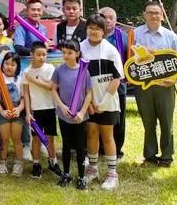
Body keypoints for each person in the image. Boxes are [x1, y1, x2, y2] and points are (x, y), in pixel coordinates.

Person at [133, 1, 177, 167]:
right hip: (143, 87)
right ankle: (149, 155)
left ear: (162, 15)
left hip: (165, 86)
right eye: (150, 12)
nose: (154, 16)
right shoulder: (135, 34)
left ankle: (167, 156)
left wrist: (174, 80)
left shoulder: (171, 36)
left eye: (157, 13)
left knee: (166, 122)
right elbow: (128, 58)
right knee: (148, 122)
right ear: (144, 15)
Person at [80, 14, 123, 190]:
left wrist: (104, 102)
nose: (94, 31)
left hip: (108, 101)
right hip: (87, 102)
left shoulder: (111, 50)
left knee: (107, 136)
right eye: (91, 28)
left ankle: (112, 174)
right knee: (91, 134)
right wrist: (88, 104)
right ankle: (92, 169)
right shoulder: (80, 48)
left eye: (98, 28)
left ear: (104, 31)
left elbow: (116, 78)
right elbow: (78, 78)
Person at [50, 39, 92, 190]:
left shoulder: (84, 71)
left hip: (80, 117)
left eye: (70, 53)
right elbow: (53, 89)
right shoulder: (59, 70)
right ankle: (66, 174)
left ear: (77, 54)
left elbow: (88, 94)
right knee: (66, 145)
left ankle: (81, 177)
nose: (66, 55)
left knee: (81, 147)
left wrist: (82, 111)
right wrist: (61, 106)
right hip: (64, 115)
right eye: (64, 52)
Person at [23, 42, 62, 179]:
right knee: (36, 139)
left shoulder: (50, 68)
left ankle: (53, 162)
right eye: (39, 55)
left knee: (51, 137)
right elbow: (26, 94)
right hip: (35, 110)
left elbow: (51, 87)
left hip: (50, 108)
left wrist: (33, 80)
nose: (42, 57)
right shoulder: (26, 72)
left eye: (44, 55)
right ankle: (36, 164)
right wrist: (28, 112)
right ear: (31, 55)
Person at [0, 51, 25, 176]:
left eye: (12, 64)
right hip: (3, 112)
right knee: (4, 139)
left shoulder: (20, 79)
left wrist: (20, 109)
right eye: (6, 63)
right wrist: (1, 111)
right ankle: (2, 163)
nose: (9, 66)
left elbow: (23, 98)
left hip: (17, 112)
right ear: (2, 64)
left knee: (17, 139)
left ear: (17, 67)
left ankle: (18, 164)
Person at [100, 6, 128, 159]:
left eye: (112, 17)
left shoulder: (123, 36)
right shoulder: (93, 35)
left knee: (118, 118)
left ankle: (117, 149)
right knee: (98, 116)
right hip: (98, 85)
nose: (108, 20)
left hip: (119, 85)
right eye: (105, 17)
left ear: (116, 20)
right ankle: (99, 147)